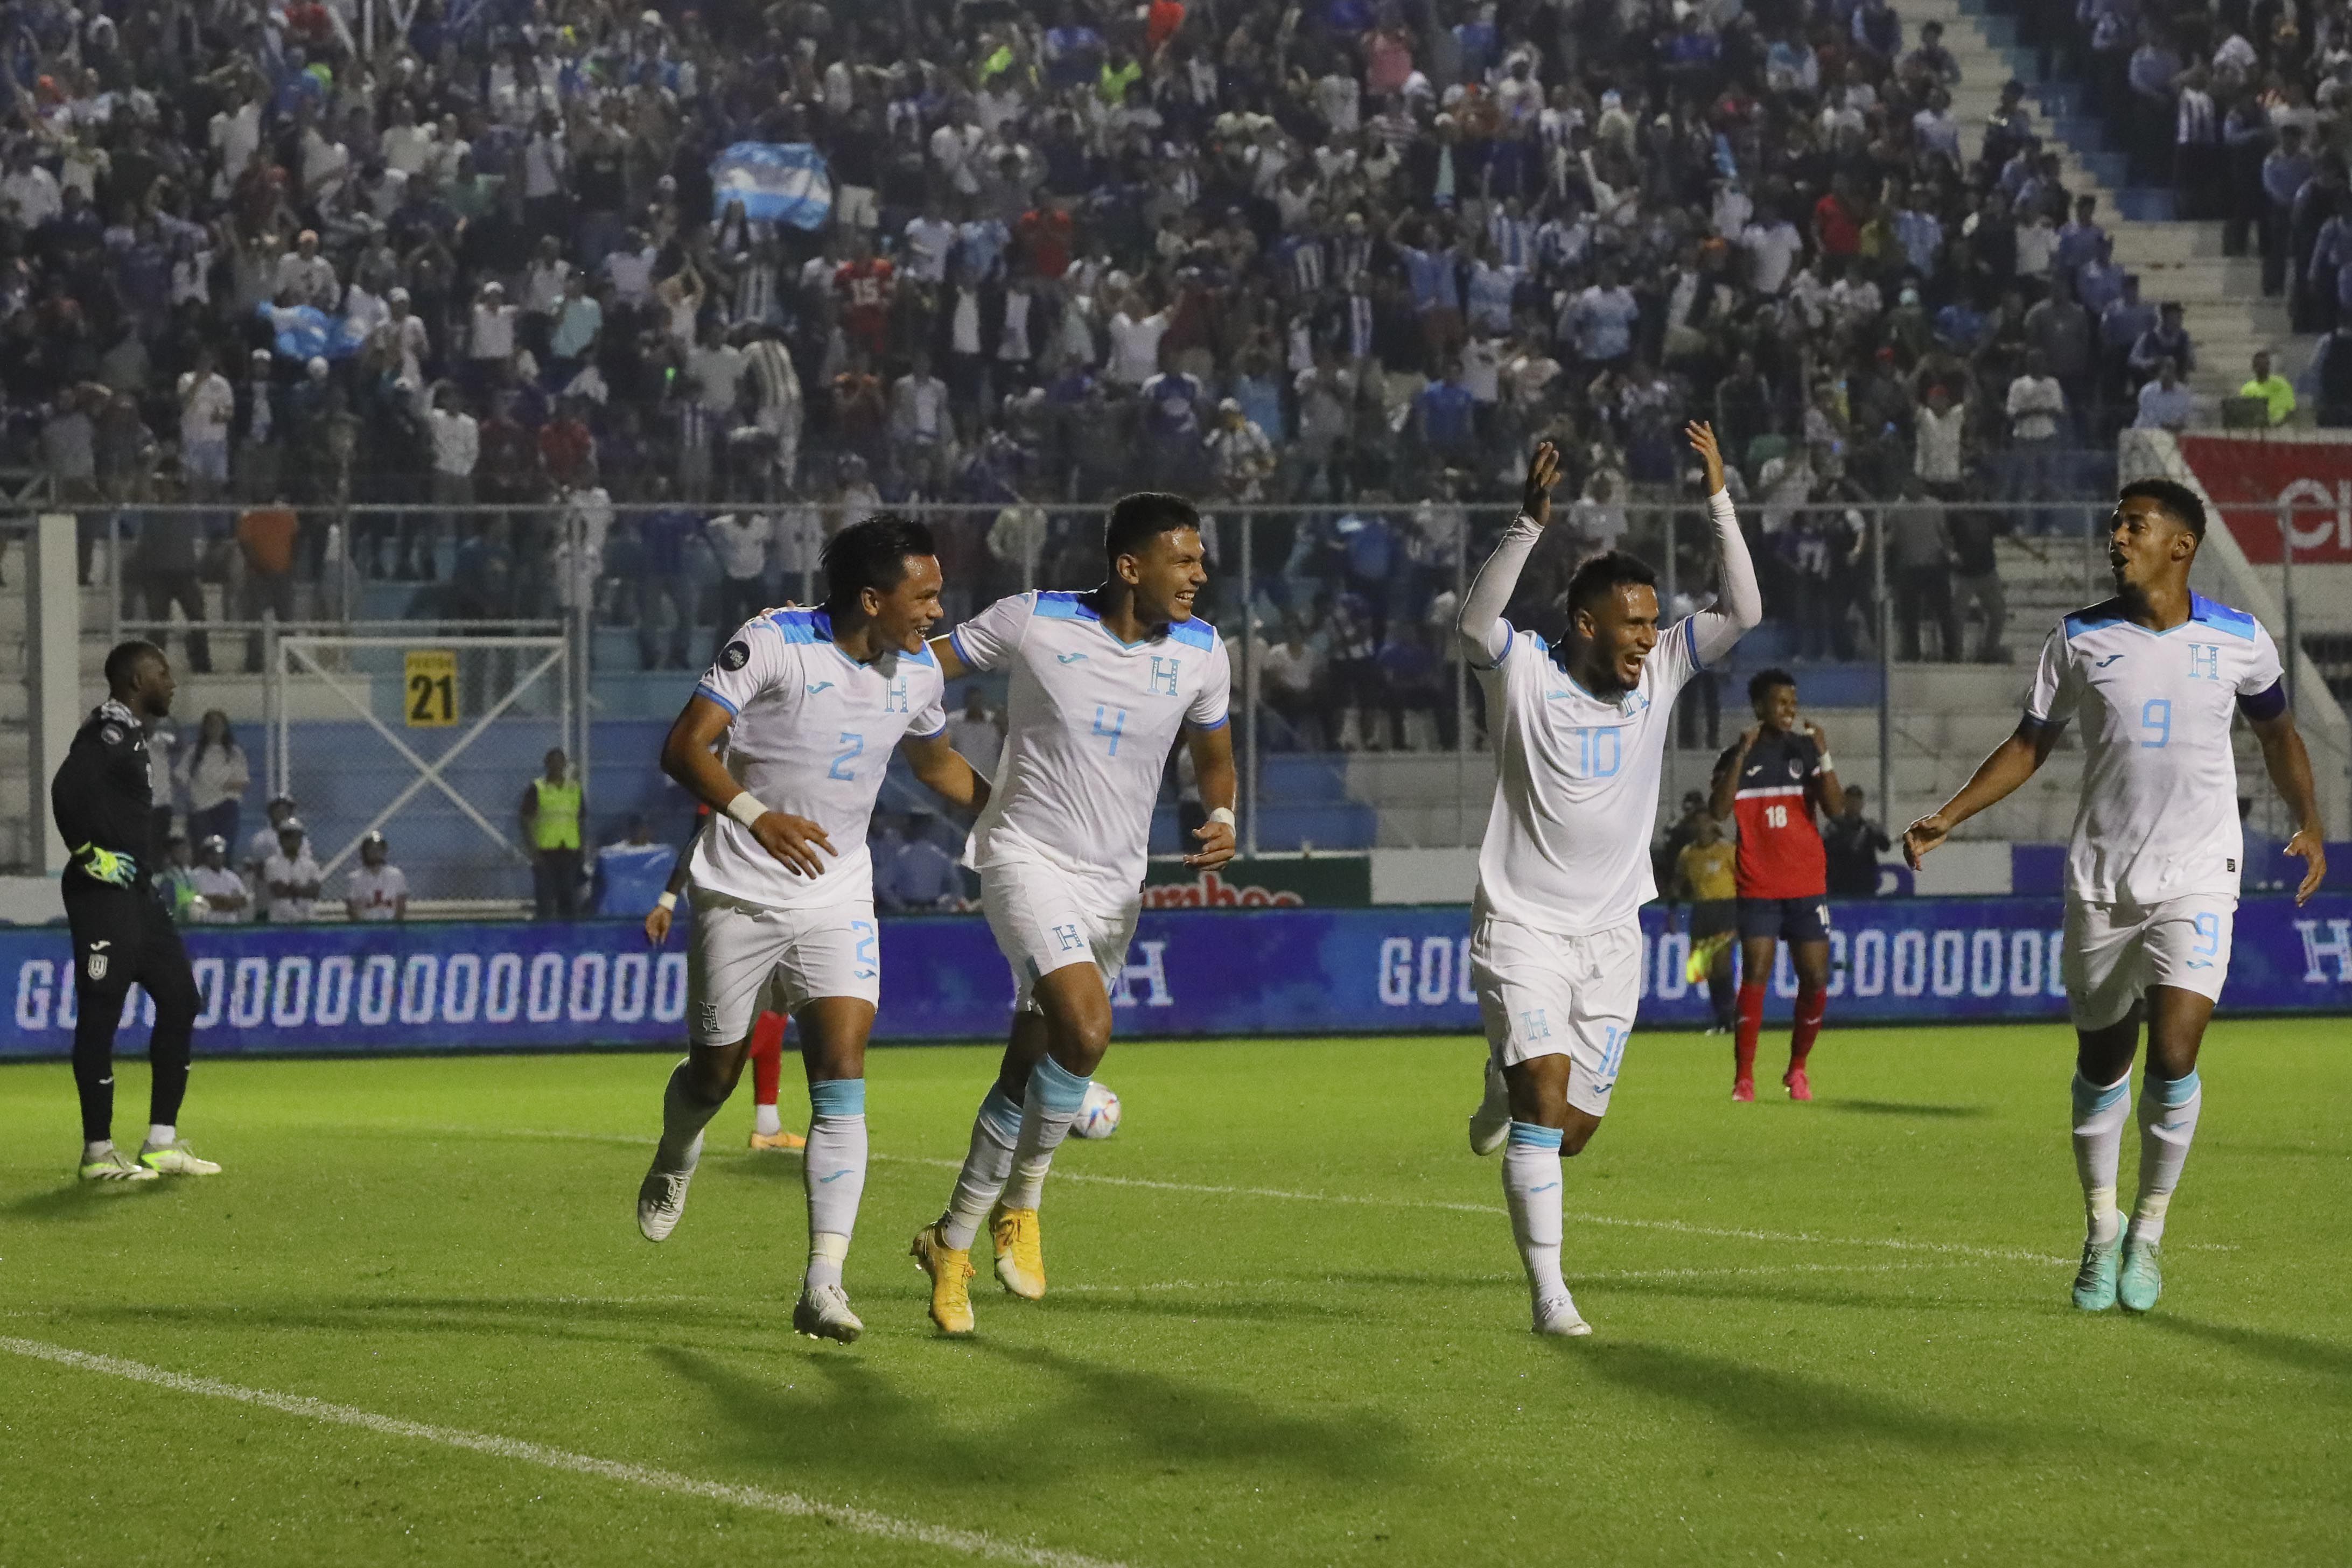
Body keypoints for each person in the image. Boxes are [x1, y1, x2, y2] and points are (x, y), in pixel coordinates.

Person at [1903, 479, 2327, 1314]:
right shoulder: (2079, 639)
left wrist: (2309, 820)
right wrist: (1950, 813)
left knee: (2175, 1053)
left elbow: (2279, 733)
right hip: (2101, 880)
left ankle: (2147, 1235)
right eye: (2115, 524)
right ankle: (2099, 1231)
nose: (2116, 536)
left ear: (2182, 545)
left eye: (2134, 526)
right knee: (2104, 1062)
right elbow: (2031, 744)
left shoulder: (2240, 639)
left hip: (2203, 873)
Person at [634, 515, 990, 1345]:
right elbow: (684, 747)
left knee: (842, 1072)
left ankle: (823, 1281)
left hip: (837, 895)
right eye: (925, 593)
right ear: (873, 597)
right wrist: (757, 817)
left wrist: (1020, 810)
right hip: (739, 890)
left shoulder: (917, 677)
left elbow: (937, 766)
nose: (938, 608)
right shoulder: (775, 641)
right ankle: (677, 1152)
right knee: (714, 1079)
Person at [910, 492, 1238, 1338]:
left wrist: (1223, 814)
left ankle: (950, 1243)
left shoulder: (1203, 653)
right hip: (1024, 859)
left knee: (1029, 1069)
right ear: (1131, 567)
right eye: (1185, 560)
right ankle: (1026, 1201)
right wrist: (882, 709)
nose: (1201, 574)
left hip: (1113, 887)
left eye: (1202, 559)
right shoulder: (1035, 621)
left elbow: (1214, 756)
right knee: (1086, 1033)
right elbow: (924, 665)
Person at [1457, 426, 1760, 1336]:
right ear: (1586, 625)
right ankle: (1551, 1295)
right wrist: (1525, 525)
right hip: (1522, 927)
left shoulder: (1662, 671)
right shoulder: (1522, 677)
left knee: (1570, 1127)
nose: (1648, 636)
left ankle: (1495, 1080)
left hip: (1612, 935)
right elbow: (1474, 623)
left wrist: (1717, 494)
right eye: (1632, 622)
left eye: (1652, 621)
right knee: (1545, 1102)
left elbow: (1741, 611)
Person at [53, 641, 216, 1181]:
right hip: (102, 898)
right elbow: (66, 787)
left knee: (181, 998)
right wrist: (87, 854)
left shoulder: (134, 736)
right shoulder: (111, 731)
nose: (171, 681)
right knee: (102, 1013)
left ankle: (161, 1144)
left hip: (138, 897)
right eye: (161, 672)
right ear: (133, 679)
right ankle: (97, 1152)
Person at [1711, 669, 1846, 1103]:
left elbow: (1837, 810)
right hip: (1759, 885)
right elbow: (1717, 810)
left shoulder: (1805, 751)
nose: (1789, 710)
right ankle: (1744, 1079)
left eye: (1793, 702)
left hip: (1806, 884)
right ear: (1759, 707)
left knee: (1815, 977)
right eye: (1780, 703)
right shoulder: (1739, 755)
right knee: (1755, 974)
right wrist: (1740, 755)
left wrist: (1824, 755)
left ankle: (1797, 1070)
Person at [644, 812, 802, 1154]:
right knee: (752, 1015)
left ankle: (767, 1124)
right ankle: (701, 1091)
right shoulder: (743, 806)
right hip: (737, 914)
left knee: (776, 1003)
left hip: (774, 908)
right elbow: (699, 843)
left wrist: (667, 902)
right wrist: (667, 902)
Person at [1674, 810, 1740, 1033]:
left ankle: (1731, 1017)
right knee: (1704, 969)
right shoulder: (1688, 854)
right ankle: (1722, 1019)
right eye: (1698, 821)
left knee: (1722, 964)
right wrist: (1672, 912)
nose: (1702, 826)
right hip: (1701, 911)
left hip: (1725, 908)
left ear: (1713, 824)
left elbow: (1742, 879)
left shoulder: (1727, 850)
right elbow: (1678, 881)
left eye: (1705, 821)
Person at [521, 748, 584, 920]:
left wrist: (582, 849)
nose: (557, 766)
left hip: (569, 851)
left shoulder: (574, 789)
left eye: (560, 762)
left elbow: (580, 820)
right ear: (547, 764)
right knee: (545, 902)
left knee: (569, 901)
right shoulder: (538, 788)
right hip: (545, 852)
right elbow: (526, 820)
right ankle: (545, 941)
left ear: (565, 764)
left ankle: (569, 941)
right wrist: (533, 852)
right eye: (553, 762)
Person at [176, 709, 249, 851]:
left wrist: (224, 785)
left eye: (218, 725)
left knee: (224, 851)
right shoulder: (194, 752)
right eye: (210, 725)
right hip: (201, 808)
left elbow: (243, 782)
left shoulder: (234, 753)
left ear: (225, 727)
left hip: (226, 806)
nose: (214, 729)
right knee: (202, 851)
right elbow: (180, 777)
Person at [594, 815, 679, 918]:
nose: (639, 831)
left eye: (643, 827)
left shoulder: (665, 855)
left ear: (650, 830)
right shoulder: (608, 856)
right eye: (635, 827)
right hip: (617, 920)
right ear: (627, 830)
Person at [1823, 786, 1892, 898]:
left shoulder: (1869, 827)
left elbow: (1885, 847)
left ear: (1862, 804)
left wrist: (1878, 833)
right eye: (1850, 801)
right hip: (1840, 885)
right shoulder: (1835, 827)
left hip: (1864, 885)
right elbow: (1826, 851)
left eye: (1857, 801)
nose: (1854, 805)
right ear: (1844, 803)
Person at [261, 817, 324, 921]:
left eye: (296, 837)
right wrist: (304, 890)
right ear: (281, 839)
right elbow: (279, 891)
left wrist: (291, 888)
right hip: (281, 921)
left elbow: (315, 891)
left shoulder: (311, 865)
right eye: (288, 837)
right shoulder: (271, 863)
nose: (292, 841)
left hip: (307, 919)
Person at [344, 831, 408, 921]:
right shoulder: (355, 878)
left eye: (378, 849)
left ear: (384, 851)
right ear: (365, 852)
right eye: (371, 849)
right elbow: (352, 908)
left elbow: (401, 905)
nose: (375, 852)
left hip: (390, 928)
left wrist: (394, 928)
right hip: (365, 929)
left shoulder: (396, 875)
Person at [188, 834, 249, 923]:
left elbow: (243, 901)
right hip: (208, 926)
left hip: (231, 926)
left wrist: (222, 901)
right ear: (205, 855)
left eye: (220, 854)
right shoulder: (196, 875)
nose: (217, 857)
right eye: (212, 854)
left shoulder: (232, 877)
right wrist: (229, 902)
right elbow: (205, 902)